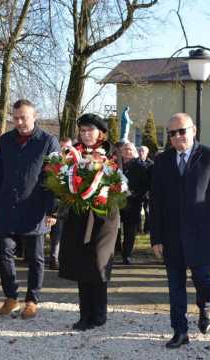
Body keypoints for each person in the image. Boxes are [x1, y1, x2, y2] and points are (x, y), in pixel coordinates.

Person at [150, 113, 210, 349]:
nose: (177, 137)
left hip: (203, 236)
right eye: (172, 134)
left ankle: (205, 305)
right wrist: (156, 237)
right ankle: (179, 330)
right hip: (172, 237)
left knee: (203, 280)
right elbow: (155, 202)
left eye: (181, 131)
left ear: (193, 130)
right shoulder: (162, 161)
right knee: (175, 286)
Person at [0, 99, 60, 318]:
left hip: (35, 208)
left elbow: (54, 177)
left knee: (36, 258)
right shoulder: (5, 141)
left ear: (34, 115)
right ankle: (11, 297)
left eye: (24, 117)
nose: (19, 122)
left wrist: (52, 210)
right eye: (16, 118)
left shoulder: (48, 141)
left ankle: (32, 300)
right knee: (4, 254)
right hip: (7, 206)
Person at [58, 113, 120, 331]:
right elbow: (62, 179)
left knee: (98, 263)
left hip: (104, 216)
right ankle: (85, 315)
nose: (85, 135)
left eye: (90, 130)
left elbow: (116, 183)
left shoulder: (111, 153)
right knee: (82, 264)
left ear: (100, 132)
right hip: (80, 216)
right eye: (82, 131)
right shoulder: (72, 153)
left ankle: (99, 313)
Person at [120, 142, 149, 265]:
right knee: (114, 229)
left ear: (135, 152)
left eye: (130, 149)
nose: (127, 152)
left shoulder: (141, 166)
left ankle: (127, 255)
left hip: (133, 202)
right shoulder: (117, 164)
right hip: (116, 202)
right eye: (125, 149)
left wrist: (134, 193)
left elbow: (146, 185)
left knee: (129, 230)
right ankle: (115, 250)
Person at [48, 136, 72, 270]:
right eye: (61, 147)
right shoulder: (53, 162)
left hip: (67, 202)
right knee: (54, 231)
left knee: (61, 233)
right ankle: (53, 258)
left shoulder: (74, 163)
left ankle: (57, 258)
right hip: (53, 201)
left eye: (67, 147)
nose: (64, 149)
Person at [137, 146, 154, 233]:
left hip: (147, 192)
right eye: (139, 150)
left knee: (147, 211)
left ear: (147, 152)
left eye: (143, 151)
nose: (141, 152)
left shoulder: (151, 164)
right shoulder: (134, 162)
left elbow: (153, 178)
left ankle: (147, 229)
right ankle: (138, 229)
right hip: (137, 191)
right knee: (137, 211)